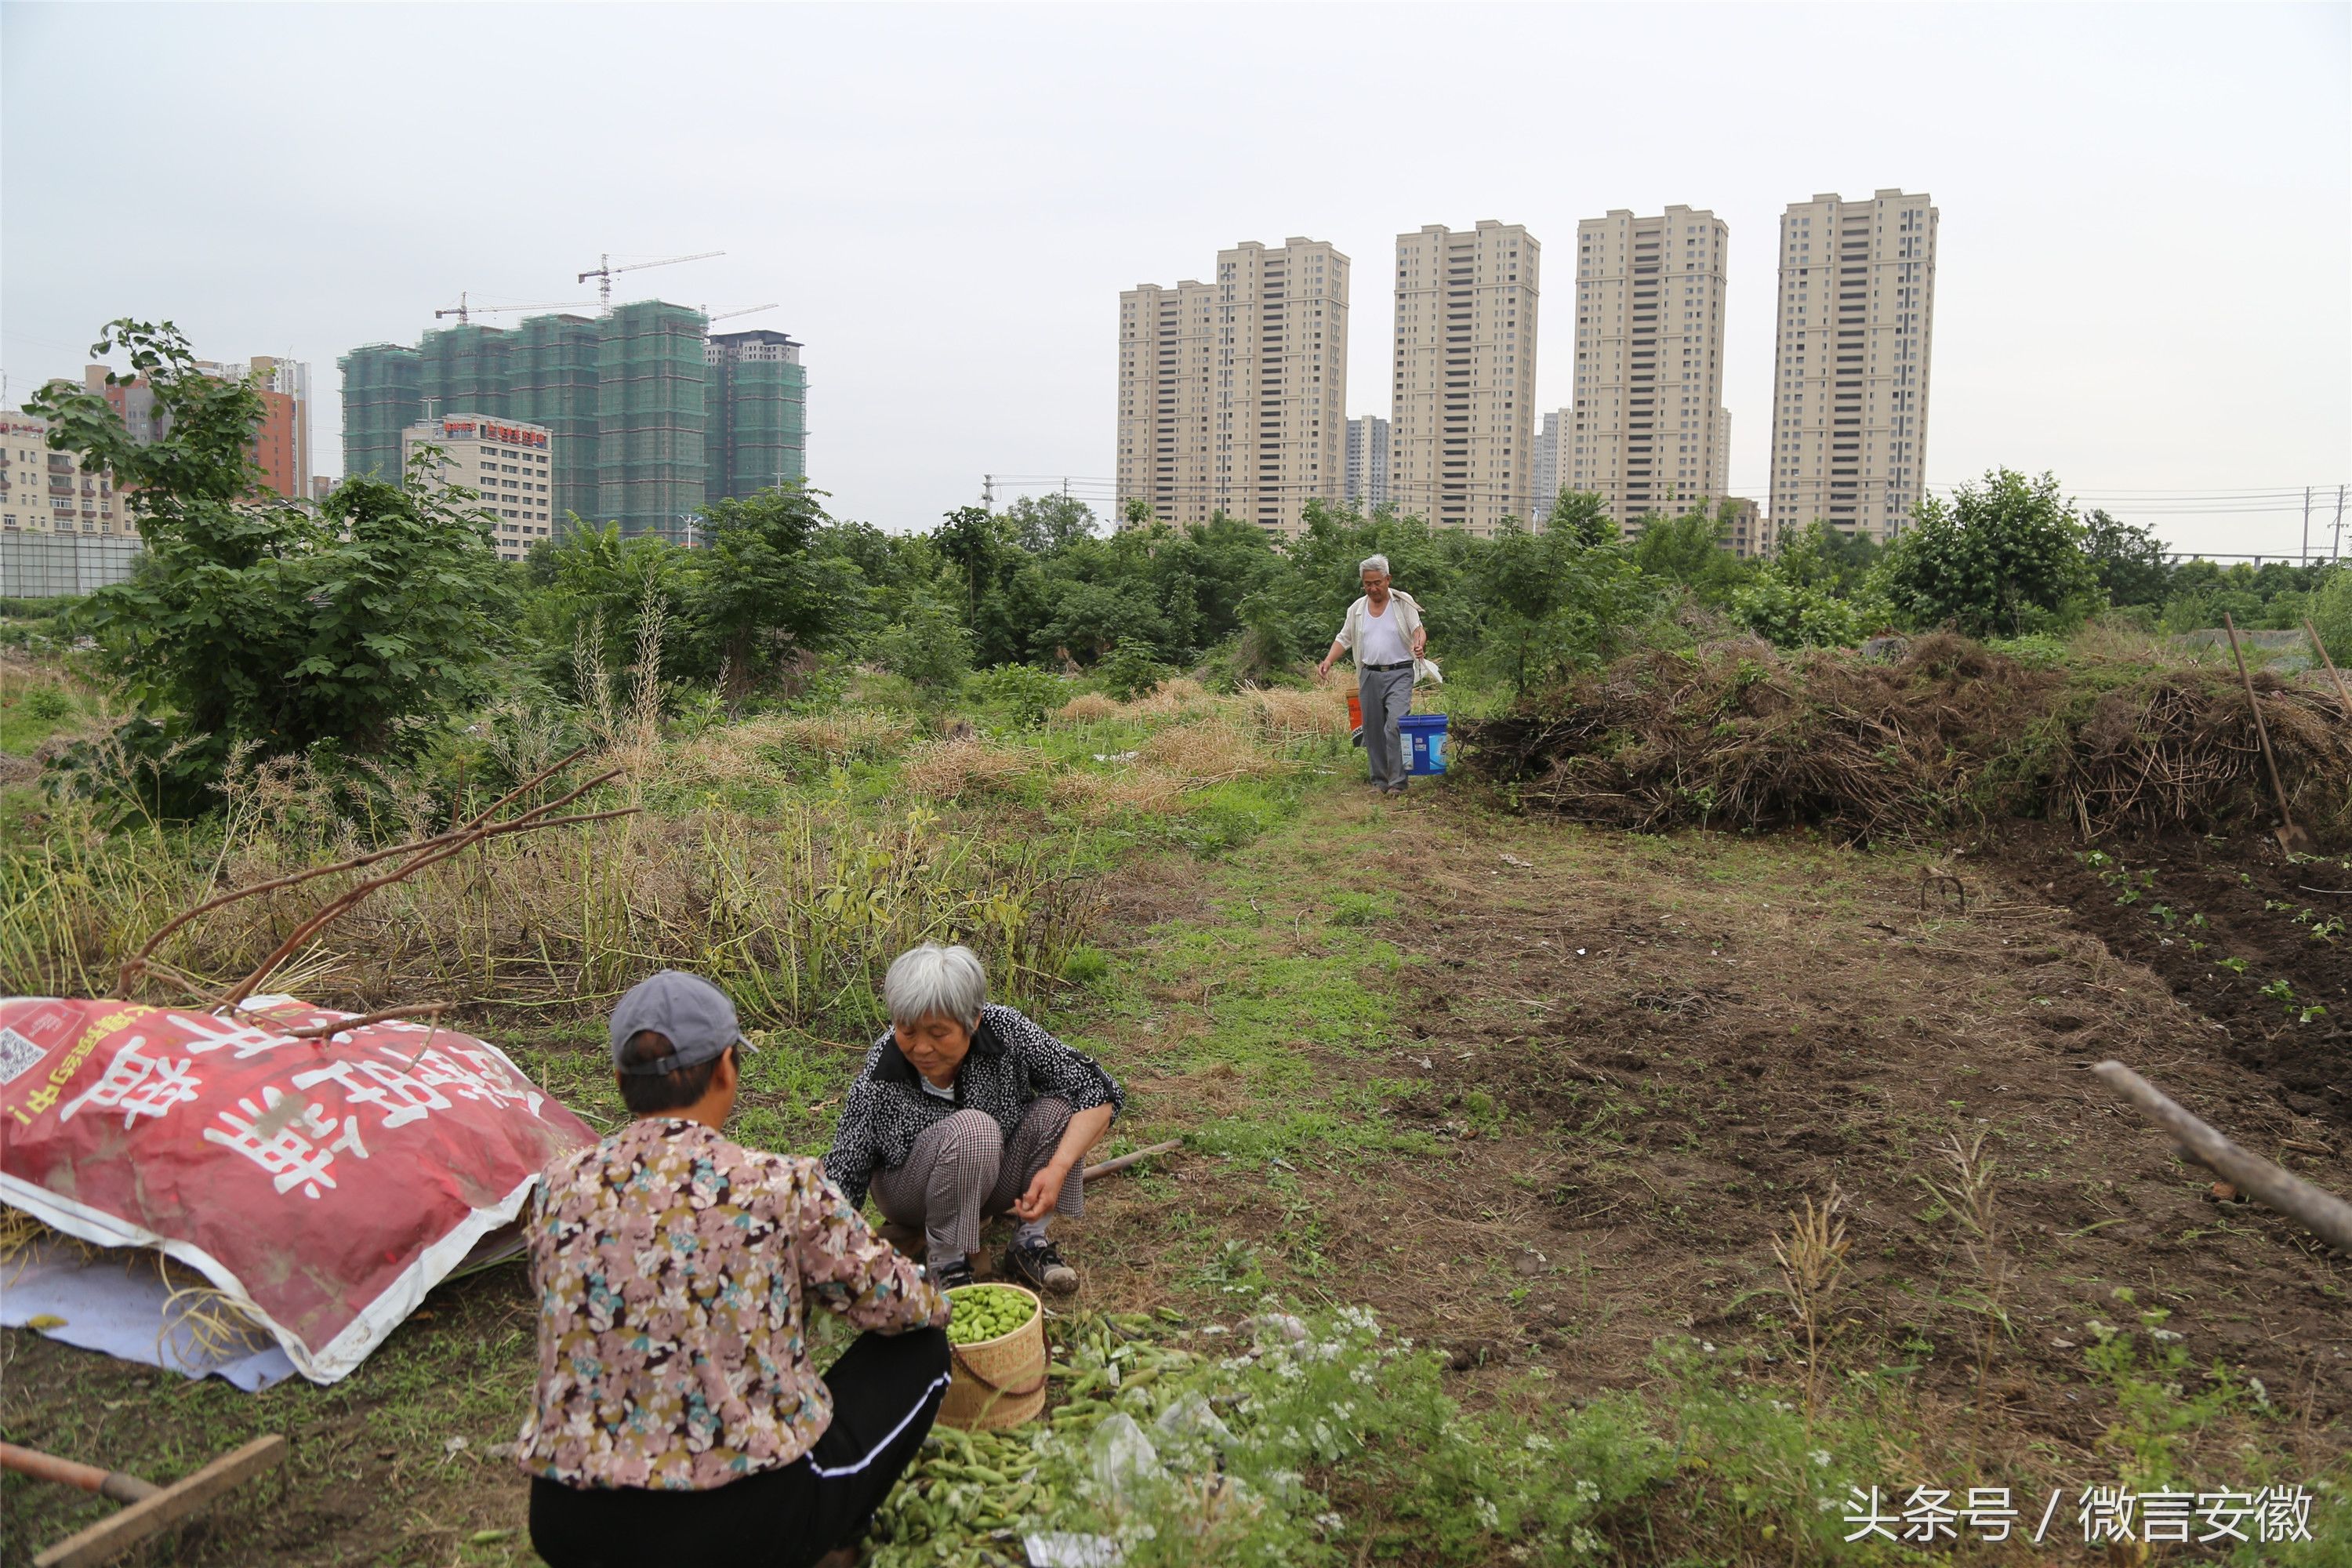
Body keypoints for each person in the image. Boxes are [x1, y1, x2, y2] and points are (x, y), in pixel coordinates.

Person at [518, 970, 951, 1568]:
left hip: (572, 1524)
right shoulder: (779, 1185)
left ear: (620, 1081)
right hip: (741, 1526)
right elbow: (907, 1305)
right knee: (923, 1350)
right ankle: (831, 1544)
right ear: (727, 1068)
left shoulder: (556, 1187)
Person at [826, 943, 1123, 1295]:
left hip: (993, 1181)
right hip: (909, 1192)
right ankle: (946, 1263)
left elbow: (1099, 1091)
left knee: (1059, 1108)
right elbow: (845, 1168)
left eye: (938, 1034)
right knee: (975, 1130)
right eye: (907, 1031)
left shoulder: (1008, 1031)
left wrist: (1057, 1168)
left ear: (974, 1020)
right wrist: (822, 1247)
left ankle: (1029, 1243)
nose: (921, 1048)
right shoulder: (884, 1066)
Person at [1316, 554, 1427, 795]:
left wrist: (1419, 643)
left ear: (1388, 579)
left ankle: (1397, 783)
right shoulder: (1357, 609)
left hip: (1400, 673)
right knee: (1373, 729)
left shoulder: (1402, 602)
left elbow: (1418, 629)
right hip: (1369, 675)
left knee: (1395, 724)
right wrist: (1328, 660)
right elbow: (1343, 638)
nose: (1373, 588)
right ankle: (1379, 781)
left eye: (1377, 582)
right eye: (1368, 583)